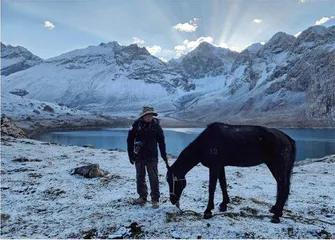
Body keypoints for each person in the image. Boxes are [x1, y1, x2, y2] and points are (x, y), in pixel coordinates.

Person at [127, 106, 168, 208]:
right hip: (139, 155)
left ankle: (155, 199)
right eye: (147, 115)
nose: (149, 117)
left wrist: (164, 155)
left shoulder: (156, 126)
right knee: (140, 177)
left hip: (152, 156)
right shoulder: (136, 125)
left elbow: (162, 142)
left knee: (153, 178)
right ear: (143, 115)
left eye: (151, 115)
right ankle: (142, 197)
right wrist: (130, 155)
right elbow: (129, 140)